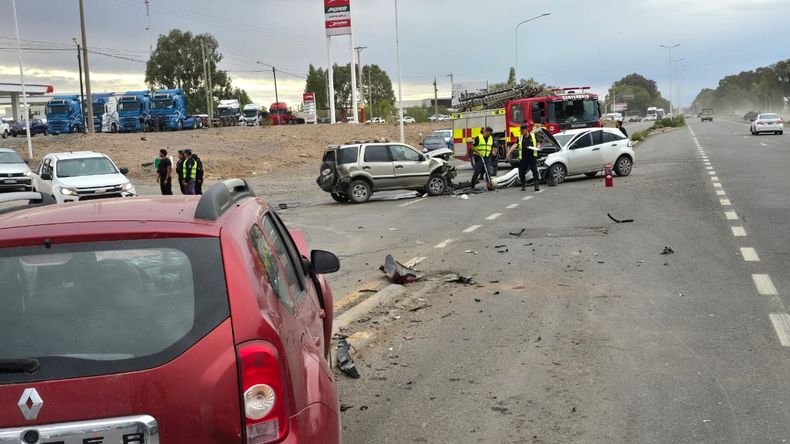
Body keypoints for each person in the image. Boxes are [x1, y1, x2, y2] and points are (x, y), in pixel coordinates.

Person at [507, 124, 541, 192]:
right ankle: (523, 184)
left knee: (534, 171)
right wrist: (509, 152)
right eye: (521, 130)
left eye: (522, 130)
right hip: (524, 157)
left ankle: (536, 185)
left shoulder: (533, 136)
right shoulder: (520, 138)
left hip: (532, 157)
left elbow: (538, 143)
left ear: (526, 130)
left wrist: (537, 148)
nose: (521, 132)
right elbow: (515, 145)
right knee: (522, 172)